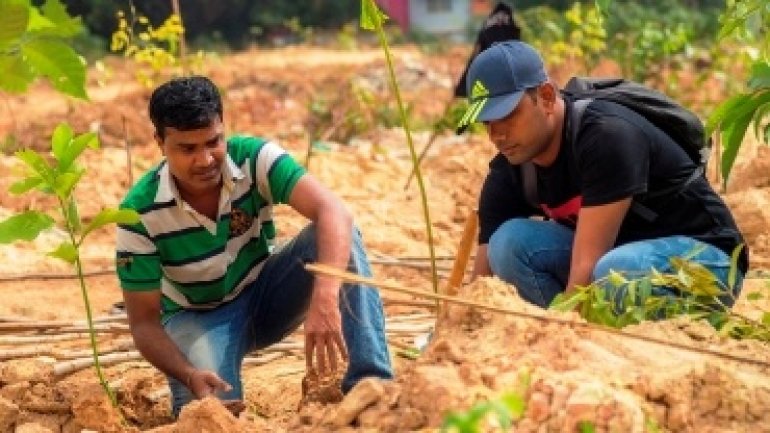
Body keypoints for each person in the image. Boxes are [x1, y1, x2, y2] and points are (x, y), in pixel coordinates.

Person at [115, 76, 392, 417]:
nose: (205, 160)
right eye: (187, 149)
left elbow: (333, 210)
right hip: (196, 319)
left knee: (341, 236)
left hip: (266, 294)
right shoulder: (138, 213)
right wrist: (188, 374)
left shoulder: (254, 158)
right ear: (159, 142)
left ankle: (373, 387)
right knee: (211, 414)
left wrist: (325, 295)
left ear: (223, 127)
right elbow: (144, 324)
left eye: (213, 142)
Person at [457, 41, 748, 309]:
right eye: (487, 122)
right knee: (507, 244)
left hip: (707, 262)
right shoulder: (510, 166)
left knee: (613, 273)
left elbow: (586, 268)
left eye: (507, 115)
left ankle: (578, 341)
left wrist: (561, 333)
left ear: (545, 97)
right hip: (616, 259)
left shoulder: (606, 135)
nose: (497, 135)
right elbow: (480, 286)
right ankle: (577, 341)